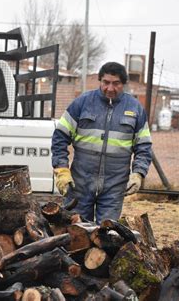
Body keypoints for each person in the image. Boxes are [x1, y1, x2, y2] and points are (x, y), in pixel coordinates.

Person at [51, 62, 152, 223]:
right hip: (79, 185)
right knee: (77, 234)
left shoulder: (135, 109)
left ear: (123, 84)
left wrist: (138, 173)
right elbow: (60, 138)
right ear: (100, 81)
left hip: (114, 187)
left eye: (116, 83)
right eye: (106, 82)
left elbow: (144, 147)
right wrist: (61, 170)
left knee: (106, 235)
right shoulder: (82, 103)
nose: (110, 88)